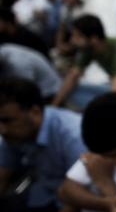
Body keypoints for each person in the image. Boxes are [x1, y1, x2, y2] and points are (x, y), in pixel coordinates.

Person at [0, 78, 86, 211]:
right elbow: (3, 171)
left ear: (35, 112)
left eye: (7, 121)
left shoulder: (72, 136)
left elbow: (81, 193)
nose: (2, 130)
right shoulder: (13, 134)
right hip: (41, 194)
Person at [52, 15, 116, 109]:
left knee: (106, 104)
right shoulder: (89, 49)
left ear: (94, 39)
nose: (73, 40)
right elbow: (72, 76)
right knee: (74, 89)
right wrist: (53, 107)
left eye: (78, 36)